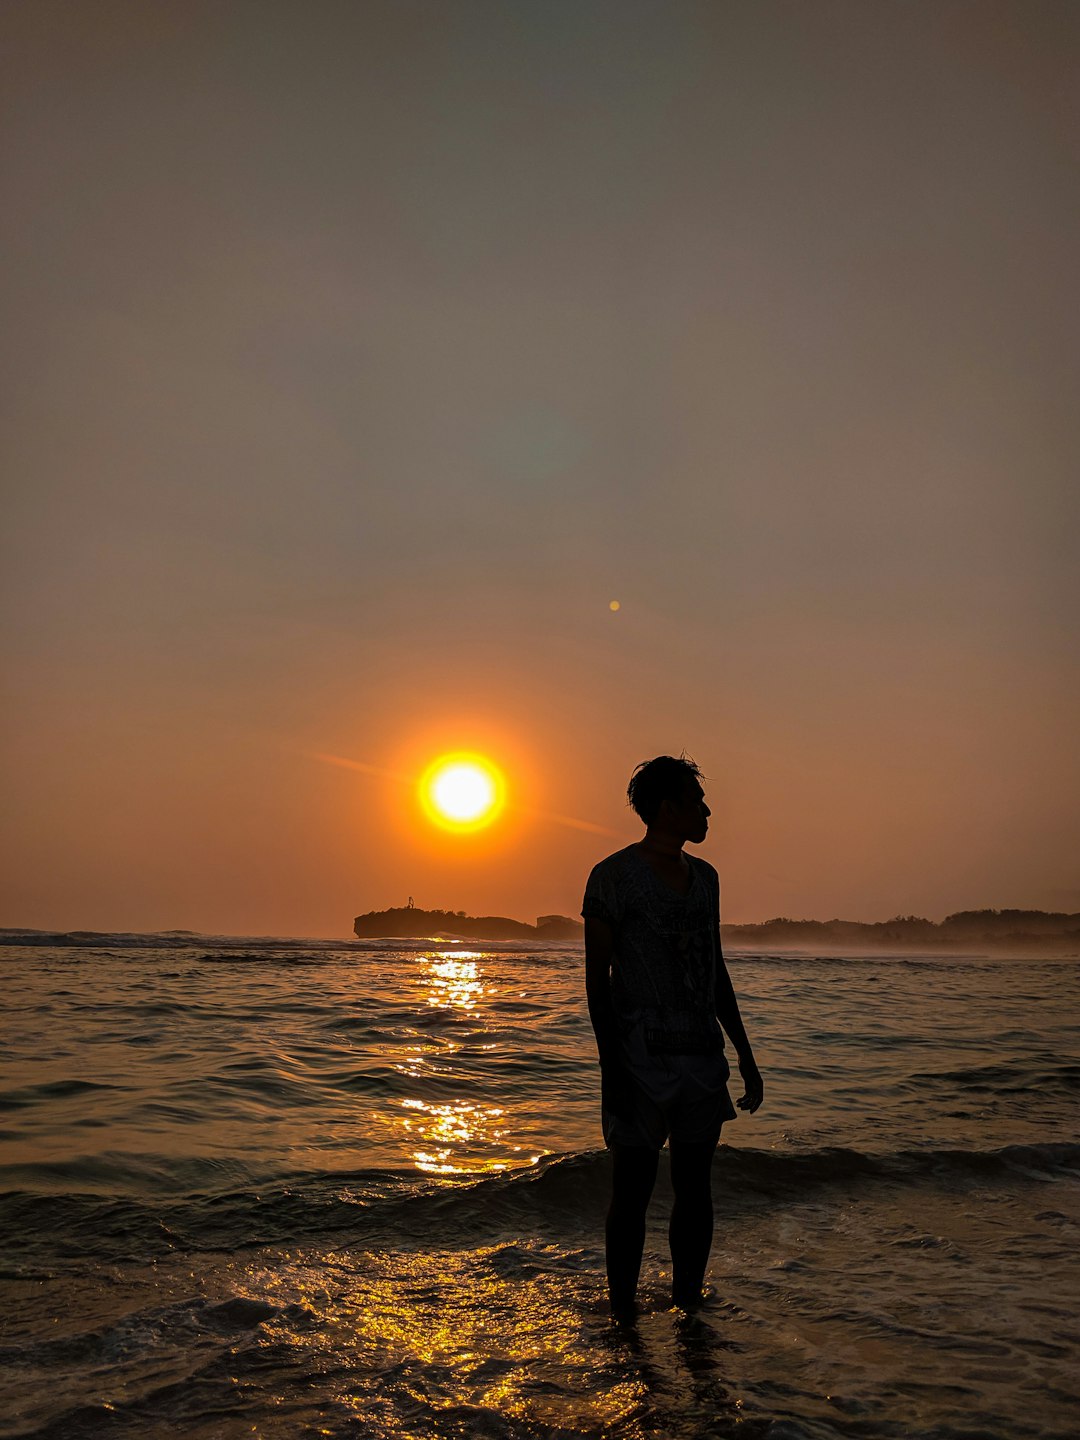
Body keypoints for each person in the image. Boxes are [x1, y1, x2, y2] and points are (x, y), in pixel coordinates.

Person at [582, 754, 763, 1318]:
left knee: (695, 1191)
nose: (707, 812)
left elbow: (716, 972)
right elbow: (596, 982)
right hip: (638, 1057)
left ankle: (688, 1308)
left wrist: (745, 1055)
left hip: (701, 1056)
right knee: (631, 1193)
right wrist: (612, 1071)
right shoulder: (613, 877)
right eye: (697, 801)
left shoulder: (706, 878)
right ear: (668, 808)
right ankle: (623, 1317)